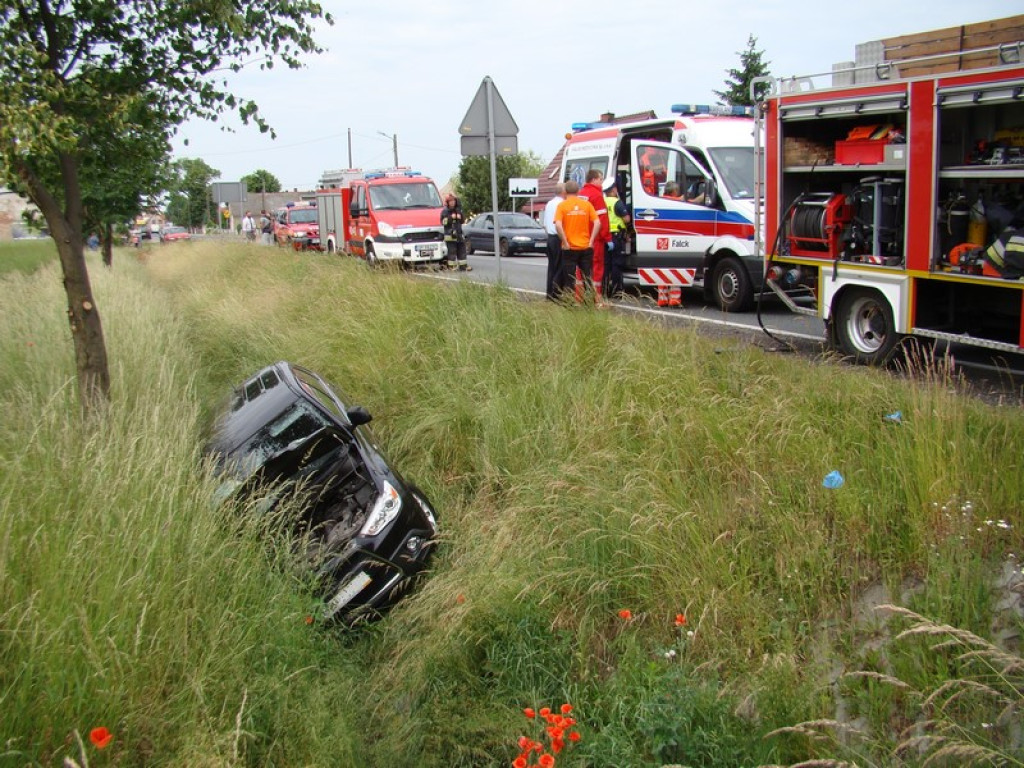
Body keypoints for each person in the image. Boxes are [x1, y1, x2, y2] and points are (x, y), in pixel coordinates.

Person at [554, 181, 600, 305]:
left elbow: (558, 224)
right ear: (578, 191)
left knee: (569, 279)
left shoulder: (562, 206)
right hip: (585, 247)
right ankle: (590, 303)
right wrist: (591, 240)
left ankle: (570, 304)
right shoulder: (586, 205)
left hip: (569, 248)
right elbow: (597, 222)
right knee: (587, 278)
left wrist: (564, 241)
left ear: (565, 192)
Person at [579, 170, 611, 304]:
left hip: (581, 237)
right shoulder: (597, 195)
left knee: (580, 268)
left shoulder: (581, 194)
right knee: (596, 267)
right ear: (593, 180)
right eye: (600, 179)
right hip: (596, 237)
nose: (602, 182)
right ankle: (596, 297)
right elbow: (602, 219)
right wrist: (607, 238)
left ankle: (579, 297)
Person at [542, 183, 567, 300]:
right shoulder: (562, 204)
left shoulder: (549, 203)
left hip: (550, 237)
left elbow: (545, 223)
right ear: (563, 192)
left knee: (552, 267)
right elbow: (560, 223)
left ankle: (549, 292)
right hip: (558, 237)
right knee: (560, 267)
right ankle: (556, 293)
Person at [604, 185, 629, 298]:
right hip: (616, 236)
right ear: (613, 191)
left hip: (605, 236)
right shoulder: (617, 202)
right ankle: (617, 291)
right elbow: (626, 219)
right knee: (617, 264)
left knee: (606, 264)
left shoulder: (603, 201)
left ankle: (604, 290)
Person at [441, 194, 471, 271]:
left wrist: (460, 217)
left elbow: (462, 221)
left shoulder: (458, 210)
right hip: (450, 236)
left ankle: (463, 266)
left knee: (462, 250)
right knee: (452, 252)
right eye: (450, 201)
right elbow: (443, 222)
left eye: (453, 201)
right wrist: (451, 218)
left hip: (459, 234)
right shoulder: (445, 211)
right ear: (447, 202)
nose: (452, 203)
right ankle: (452, 267)